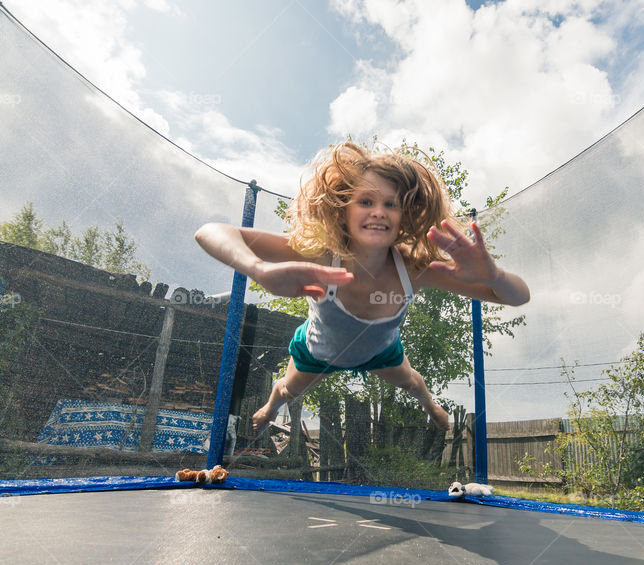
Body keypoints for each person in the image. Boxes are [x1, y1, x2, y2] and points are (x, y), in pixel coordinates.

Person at [195, 142, 529, 432]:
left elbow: (517, 297)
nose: (379, 212)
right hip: (319, 352)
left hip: (379, 352)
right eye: (366, 202)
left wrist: (494, 275)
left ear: (404, 214)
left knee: (412, 382)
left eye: (391, 204)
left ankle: (431, 405)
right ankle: (270, 409)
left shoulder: (415, 269)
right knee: (286, 391)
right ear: (343, 209)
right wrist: (260, 269)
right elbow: (210, 232)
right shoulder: (324, 257)